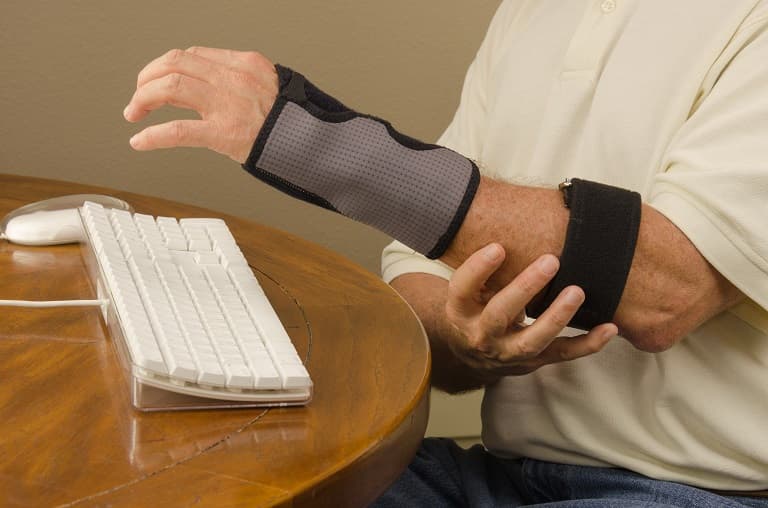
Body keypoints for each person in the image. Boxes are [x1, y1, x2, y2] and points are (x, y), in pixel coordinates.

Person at [123, 1, 768, 505]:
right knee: (224, 488)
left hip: (693, 492)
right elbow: (421, 268)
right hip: (492, 478)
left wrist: (309, 143)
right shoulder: (530, 13)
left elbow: (664, 288)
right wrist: (462, 334)